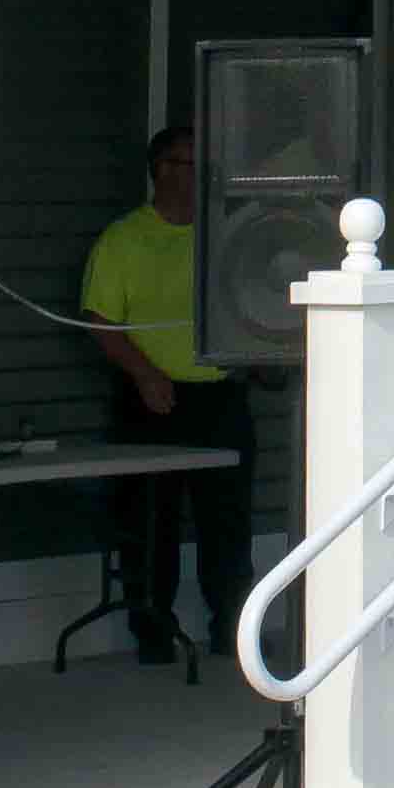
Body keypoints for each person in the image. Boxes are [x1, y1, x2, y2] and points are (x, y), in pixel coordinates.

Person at [79, 122, 254, 669]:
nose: (197, 178)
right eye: (186, 165)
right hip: (151, 397)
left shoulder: (226, 235)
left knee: (227, 523)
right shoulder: (124, 240)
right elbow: (99, 320)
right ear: (159, 170)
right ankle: (152, 631)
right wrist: (145, 375)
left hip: (218, 396)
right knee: (151, 522)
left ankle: (232, 631)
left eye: (206, 168)